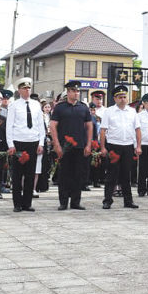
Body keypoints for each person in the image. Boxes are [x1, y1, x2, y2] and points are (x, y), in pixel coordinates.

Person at [51, 80, 93, 211]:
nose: (77, 93)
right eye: (74, 91)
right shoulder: (60, 107)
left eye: (78, 91)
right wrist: (56, 144)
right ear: (68, 92)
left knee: (78, 175)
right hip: (64, 146)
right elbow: (53, 125)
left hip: (80, 145)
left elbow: (89, 126)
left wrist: (89, 144)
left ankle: (75, 201)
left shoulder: (83, 107)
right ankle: (63, 202)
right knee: (64, 175)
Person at [6, 77, 45, 212]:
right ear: (19, 90)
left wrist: (41, 143)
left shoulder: (36, 104)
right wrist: (11, 144)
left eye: (29, 88)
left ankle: (27, 203)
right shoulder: (14, 105)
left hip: (33, 142)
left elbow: (41, 125)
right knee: (17, 175)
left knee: (30, 174)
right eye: (24, 88)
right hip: (18, 142)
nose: (27, 90)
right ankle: (17, 203)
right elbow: (9, 126)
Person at [100, 84, 141, 210]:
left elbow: (137, 129)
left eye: (124, 97)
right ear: (115, 98)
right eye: (120, 97)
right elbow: (103, 130)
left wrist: (138, 146)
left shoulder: (132, 111)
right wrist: (102, 147)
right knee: (111, 174)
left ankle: (128, 201)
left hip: (128, 146)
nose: (123, 99)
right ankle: (107, 200)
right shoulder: (109, 111)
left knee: (126, 175)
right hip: (114, 146)